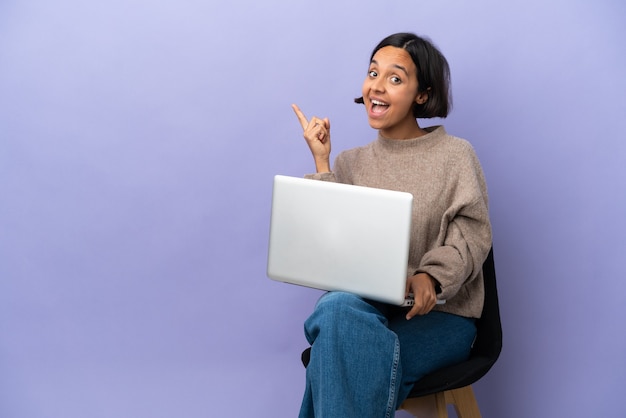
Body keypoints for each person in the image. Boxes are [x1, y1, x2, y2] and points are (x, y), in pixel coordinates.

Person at [291, 33, 492, 418]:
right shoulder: (351, 162)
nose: (376, 87)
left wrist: (430, 277)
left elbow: (472, 234)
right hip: (367, 309)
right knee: (337, 310)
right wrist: (322, 163)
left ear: (422, 94)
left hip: (441, 318)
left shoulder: (455, 156)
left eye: (395, 78)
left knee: (335, 351)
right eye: (372, 73)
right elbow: (333, 248)